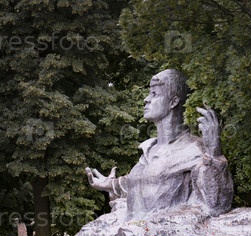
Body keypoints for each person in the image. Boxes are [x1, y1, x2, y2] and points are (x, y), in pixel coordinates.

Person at [85, 69, 233, 220]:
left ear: (174, 101)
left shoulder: (193, 149)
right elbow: (143, 181)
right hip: (133, 232)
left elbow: (216, 205)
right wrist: (110, 184)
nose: (146, 99)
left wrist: (214, 154)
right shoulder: (149, 150)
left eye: (154, 94)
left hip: (167, 232)